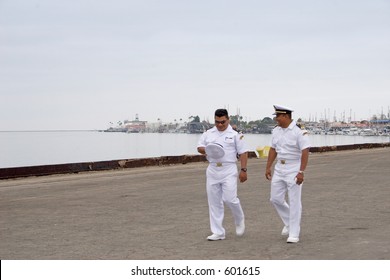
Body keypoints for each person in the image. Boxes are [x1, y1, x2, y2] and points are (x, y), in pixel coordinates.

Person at [197, 109, 249, 241]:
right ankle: (218, 232)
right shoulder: (209, 133)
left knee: (230, 198)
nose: (219, 125)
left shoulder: (235, 134)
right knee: (214, 201)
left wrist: (243, 170)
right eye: (217, 122)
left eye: (222, 122)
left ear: (228, 120)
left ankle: (239, 219)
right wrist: (208, 149)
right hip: (213, 168)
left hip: (228, 168)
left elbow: (243, 152)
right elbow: (199, 147)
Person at [265, 105, 310, 243]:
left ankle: (294, 233)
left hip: (294, 167)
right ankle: (289, 222)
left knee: (294, 200)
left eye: (278, 116)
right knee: (275, 198)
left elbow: (305, 152)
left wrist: (301, 172)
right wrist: (268, 167)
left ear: (285, 116)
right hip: (280, 167)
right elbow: (273, 149)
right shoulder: (276, 131)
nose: (276, 119)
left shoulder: (299, 132)